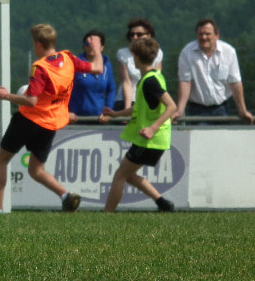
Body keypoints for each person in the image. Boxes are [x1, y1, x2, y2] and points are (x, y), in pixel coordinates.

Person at [0, 23, 102, 213]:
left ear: (39, 45)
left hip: (29, 120)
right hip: (50, 124)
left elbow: (31, 100)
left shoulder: (40, 67)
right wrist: (97, 49)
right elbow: (98, 68)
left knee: (1, 160)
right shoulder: (68, 58)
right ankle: (65, 196)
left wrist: (6, 96)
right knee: (36, 170)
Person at [102, 36, 177, 212]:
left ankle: (107, 215)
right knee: (128, 174)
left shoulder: (150, 81)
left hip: (149, 139)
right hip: (152, 139)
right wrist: (116, 114)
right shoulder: (153, 77)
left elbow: (172, 106)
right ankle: (163, 203)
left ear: (135, 57)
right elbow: (139, 107)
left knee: (120, 175)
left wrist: (152, 128)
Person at [174, 18, 253, 124]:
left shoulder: (229, 52)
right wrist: (179, 110)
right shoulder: (187, 52)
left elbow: (235, 82)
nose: (203, 37)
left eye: (207, 34)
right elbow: (185, 82)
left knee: (222, 135)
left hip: (222, 108)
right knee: (201, 134)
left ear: (217, 35)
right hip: (197, 109)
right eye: (200, 34)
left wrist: (242, 110)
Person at [114, 19, 163, 111]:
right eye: (132, 34)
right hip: (127, 100)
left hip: (148, 100)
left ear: (149, 35)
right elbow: (126, 82)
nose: (135, 37)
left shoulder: (158, 53)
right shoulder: (123, 54)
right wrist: (127, 109)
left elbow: (157, 79)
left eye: (139, 34)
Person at [68, 29, 115, 121]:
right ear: (84, 46)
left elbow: (111, 89)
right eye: (88, 43)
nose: (91, 46)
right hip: (76, 117)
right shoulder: (76, 63)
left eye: (95, 43)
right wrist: (66, 111)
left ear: (102, 48)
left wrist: (108, 110)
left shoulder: (106, 65)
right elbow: (64, 88)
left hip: (99, 117)